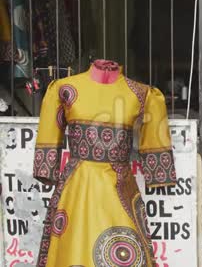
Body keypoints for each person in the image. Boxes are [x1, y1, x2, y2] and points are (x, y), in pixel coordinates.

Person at [33, 59, 176, 266]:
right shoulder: (64, 88)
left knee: (124, 250)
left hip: (119, 186)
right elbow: (49, 130)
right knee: (74, 245)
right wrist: (46, 166)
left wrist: (158, 171)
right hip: (77, 186)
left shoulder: (142, 93)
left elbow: (155, 134)